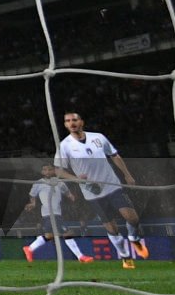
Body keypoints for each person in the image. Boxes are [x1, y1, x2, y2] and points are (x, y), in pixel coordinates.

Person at [54, 111, 145, 269]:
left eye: (74, 119)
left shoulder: (98, 137)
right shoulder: (64, 146)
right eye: (68, 121)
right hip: (93, 193)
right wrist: (75, 178)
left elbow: (114, 155)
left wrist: (127, 175)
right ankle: (125, 257)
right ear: (65, 125)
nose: (72, 123)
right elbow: (58, 171)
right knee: (112, 228)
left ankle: (133, 237)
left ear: (81, 121)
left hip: (112, 185)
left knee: (133, 218)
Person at [22, 164, 93, 263]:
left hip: (57, 212)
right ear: (42, 172)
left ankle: (29, 249)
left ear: (53, 171)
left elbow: (67, 192)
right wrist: (33, 203)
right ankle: (80, 256)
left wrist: (71, 196)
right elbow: (32, 195)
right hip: (49, 213)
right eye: (45, 169)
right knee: (67, 233)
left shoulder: (59, 183)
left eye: (49, 169)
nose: (47, 172)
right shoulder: (38, 183)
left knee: (49, 235)